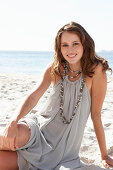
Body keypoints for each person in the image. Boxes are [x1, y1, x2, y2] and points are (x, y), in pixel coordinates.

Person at [0, 22, 113, 170]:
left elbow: (96, 115)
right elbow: (33, 96)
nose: (70, 50)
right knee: (10, 136)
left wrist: (104, 155)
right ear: (59, 47)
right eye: (64, 45)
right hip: (38, 131)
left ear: (84, 44)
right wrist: (13, 121)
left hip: (64, 150)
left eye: (75, 44)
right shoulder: (55, 67)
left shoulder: (96, 70)